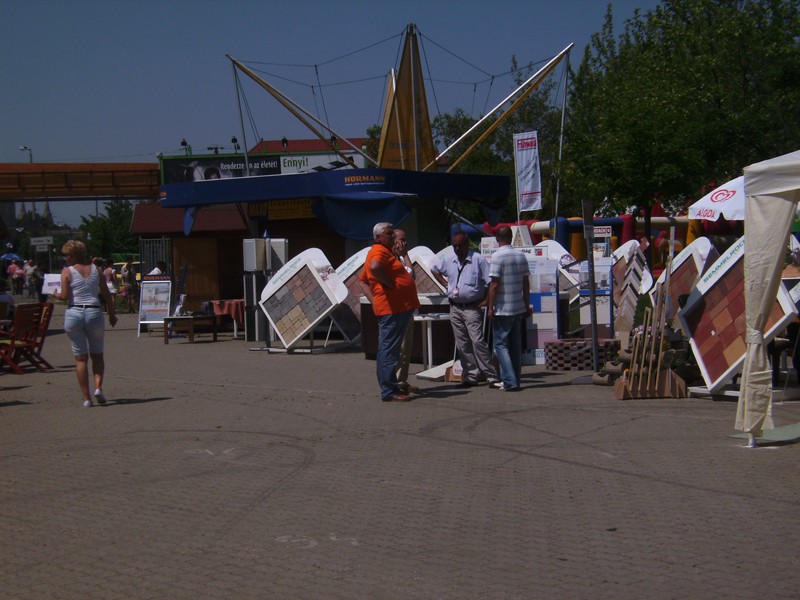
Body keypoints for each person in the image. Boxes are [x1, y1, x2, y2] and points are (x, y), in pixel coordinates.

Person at [359, 222, 420, 402]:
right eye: (389, 234)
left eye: (393, 233)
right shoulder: (378, 251)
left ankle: (392, 386)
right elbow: (375, 267)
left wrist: (375, 300)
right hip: (393, 310)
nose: (393, 236)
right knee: (389, 350)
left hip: (395, 308)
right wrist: (389, 283)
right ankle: (389, 391)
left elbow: (363, 280)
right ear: (378, 238)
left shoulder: (384, 252)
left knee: (390, 349)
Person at [53, 240, 117, 407]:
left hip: (74, 312)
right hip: (94, 312)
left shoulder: (67, 271)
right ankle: (98, 387)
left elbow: (65, 296)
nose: (65, 258)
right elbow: (106, 293)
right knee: (97, 354)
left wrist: (56, 294)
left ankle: (87, 398)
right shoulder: (96, 270)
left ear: (74, 255)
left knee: (80, 358)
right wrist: (112, 314)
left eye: (67, 255)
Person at [432, 231, 499, 387]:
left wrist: (486, 301)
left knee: (477, 341)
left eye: (460, 246)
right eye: (454, 246)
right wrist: (446, 284)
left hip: (471, 308)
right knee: (462, 344)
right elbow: (434, 269)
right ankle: (471, 376)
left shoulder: (478, 260)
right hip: (455, 307)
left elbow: (491, 282)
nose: (457, 249)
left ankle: (491, 376)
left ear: (467, 244)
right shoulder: (449, 260)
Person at [487, 226, 531, 391]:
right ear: (511, 237)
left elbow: (494, 284)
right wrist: (526, 304)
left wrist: (490, 307)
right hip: (518, 307)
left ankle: (509, 381)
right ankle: (515, 379)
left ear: (497, 239)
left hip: (503, 308)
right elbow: (526, 283)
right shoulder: (521, 256)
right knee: (515, 345)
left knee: (500, 345)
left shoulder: (497, 256)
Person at [392, 229, 418, 395]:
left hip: (407, 309)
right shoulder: (391, 259)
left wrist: (405, 255)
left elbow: (412, 274)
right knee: (398, 349)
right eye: (402, 240)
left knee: (406, 347)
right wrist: (405, 255)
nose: (405, 243)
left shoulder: (401, 258)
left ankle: (402, 380)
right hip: (396, 310)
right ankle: (395, 383)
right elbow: (409, 275)